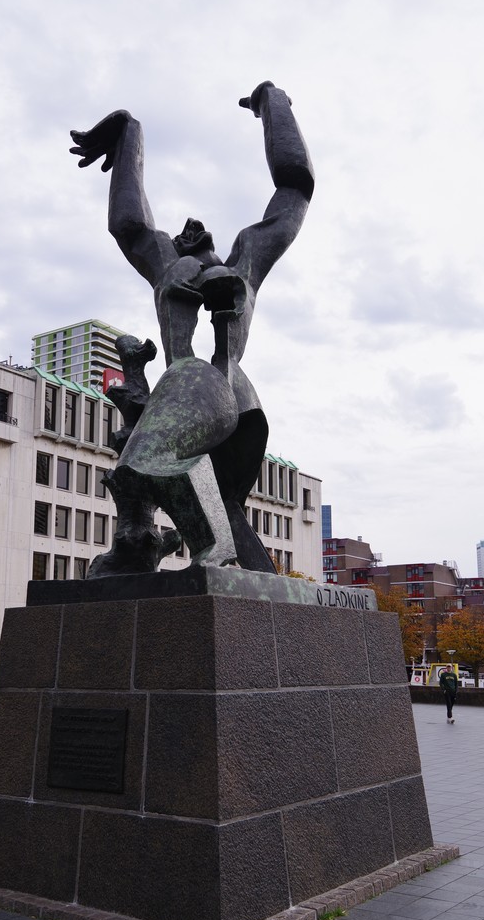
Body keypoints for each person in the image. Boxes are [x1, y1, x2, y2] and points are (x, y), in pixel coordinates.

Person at [69, 82, 314, 576]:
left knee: (141, 462)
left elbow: (294, 192)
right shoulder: (189, 266)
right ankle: (241, 573)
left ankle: (212, 552)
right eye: (181, 231)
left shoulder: (240, 264)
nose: (190, 224)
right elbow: (129, 225)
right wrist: (129, 137)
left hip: (205, 384)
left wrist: (273, 103)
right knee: (220, 499)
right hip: (230, 398)